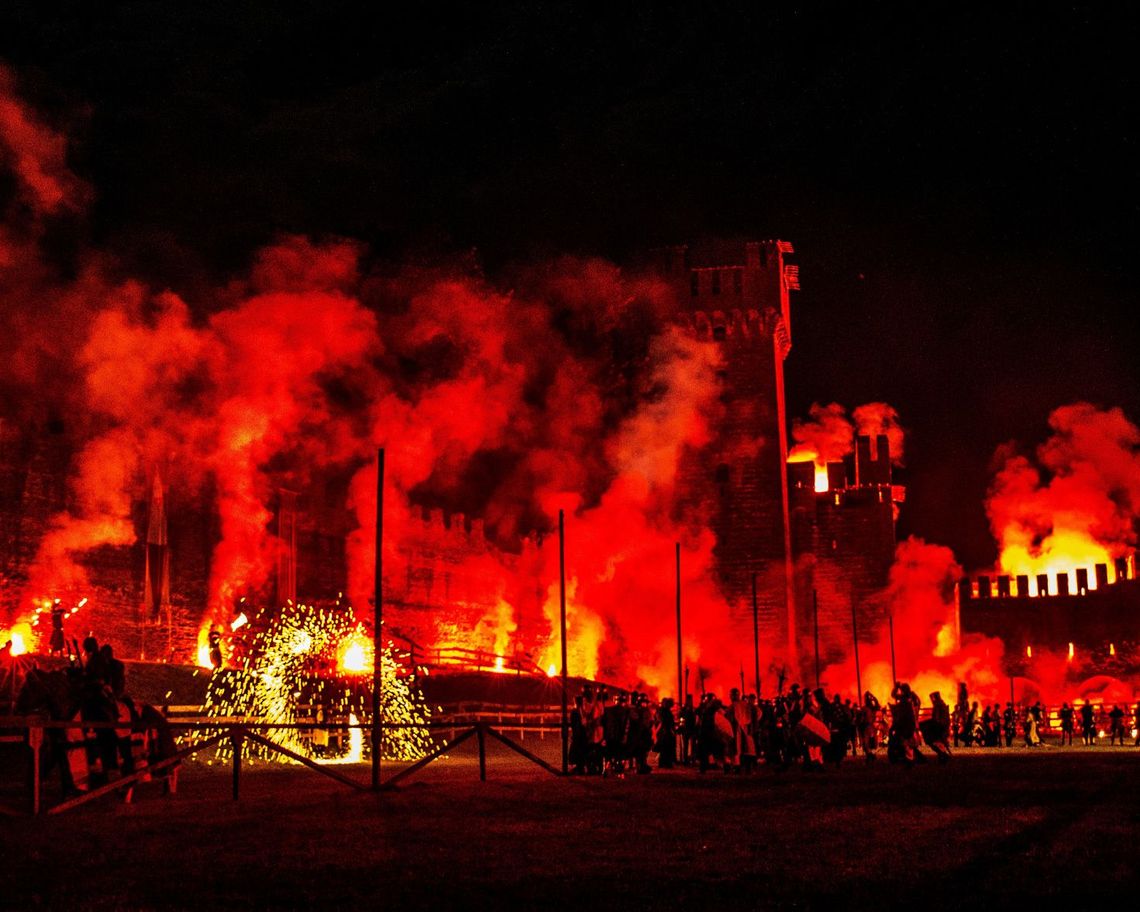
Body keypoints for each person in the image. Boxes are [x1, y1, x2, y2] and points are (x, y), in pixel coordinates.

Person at [655, 697, 677, 769]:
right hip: (666, 732)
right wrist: (671, 730)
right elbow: (666, 722)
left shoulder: (664, 711)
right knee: (667, 748)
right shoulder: (665, 711)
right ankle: (666, 763)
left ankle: (664, 763)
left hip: (665, 732)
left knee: (665, 748)